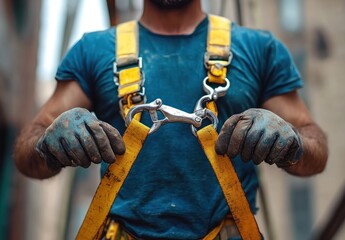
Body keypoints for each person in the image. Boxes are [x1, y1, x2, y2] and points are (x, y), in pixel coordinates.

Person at [14, 0, 328, 239]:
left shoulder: (260, 49)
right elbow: (26, 155)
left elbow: (316, 151)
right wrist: (48, 142)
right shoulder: (93, 51)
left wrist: (292, 142)